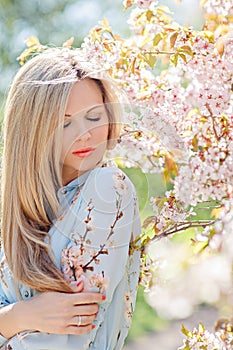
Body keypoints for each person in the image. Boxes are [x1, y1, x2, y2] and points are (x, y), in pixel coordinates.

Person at [0, 47, 141, 349]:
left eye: (93, 117)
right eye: (65, 123)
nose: (84, 135)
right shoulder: (11, 220)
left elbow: (67, 338)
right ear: (32, 131)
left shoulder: (108, 189)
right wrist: (18, 316)